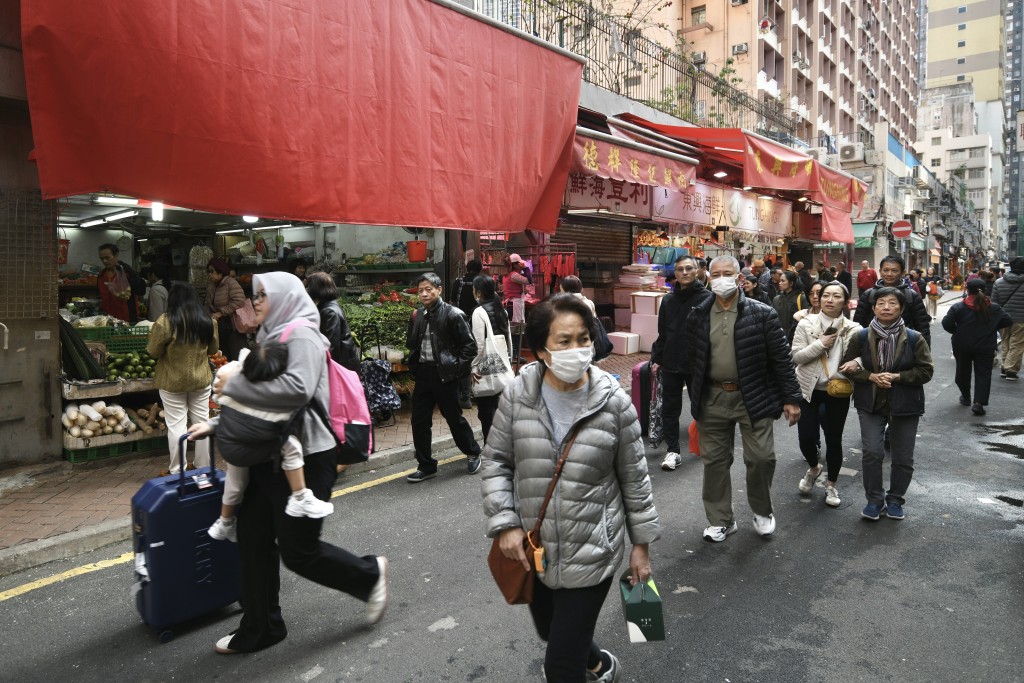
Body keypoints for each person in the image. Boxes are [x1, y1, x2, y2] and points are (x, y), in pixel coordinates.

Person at [187, 272, 389, 654]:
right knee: (253, 539)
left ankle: (369, 574)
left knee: (299, 551)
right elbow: (258, 403)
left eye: (263, 294)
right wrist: (217, 423)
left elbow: (295, 390)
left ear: (285, 296)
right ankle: (261, 627)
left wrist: (234, 385)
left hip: (308, 457)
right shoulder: (269, 335)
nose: (257, 300)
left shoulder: (303, 335)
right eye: (254, 294)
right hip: (269, 452)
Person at [480, 294, 660, 683]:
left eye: (583, 339)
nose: (577, 350)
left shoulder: (614, 403)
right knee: (551, 632)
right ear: (542, 350)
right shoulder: (517, 395)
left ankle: (580, 663)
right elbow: (496, 461)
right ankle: (597, 662)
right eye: (564, 341)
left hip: (593, 549)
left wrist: (640, 547)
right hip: (536, 548)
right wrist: (506, 523)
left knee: (560, 666)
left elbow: (636, 478)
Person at [685, 256, 802, 542]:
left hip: (754, 395)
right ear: (707, 277)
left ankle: (762, 511)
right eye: (716, 274)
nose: (721, 278)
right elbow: (692, 359)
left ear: (740, 278)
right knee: (714, 461)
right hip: (712, 397)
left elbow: (781, 359)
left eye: (728, 273)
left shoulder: (762, 314)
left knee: (761, 458)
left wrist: (791, 398)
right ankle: (721, 519)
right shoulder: (698, 313)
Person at [206, 343, 335, 544]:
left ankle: (224, 522)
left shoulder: (230, 377)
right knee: (291, 446)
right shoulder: (269, 401)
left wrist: (211, 425)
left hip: (228, 445)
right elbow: (289, 416)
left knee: (235, 485)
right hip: (251, 447)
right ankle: (299, 497)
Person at [840, 287, 934, 521]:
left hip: (905, 404)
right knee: (872, 452)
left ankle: (895, 500)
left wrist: (897, 377)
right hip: (870, 402)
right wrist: (871, 377)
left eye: (892, 303)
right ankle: (874, 500)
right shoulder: (860, 336)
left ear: (901, 308)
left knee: (903, 457)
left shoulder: (914, 338)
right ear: (873, 308)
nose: (886, 307)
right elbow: (847, 366)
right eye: (881, 303)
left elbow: (926, 371)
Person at [405, 272, 483, 482]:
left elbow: (470, 346)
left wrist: (456, 368)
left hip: (445, 375)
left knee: (454, 418)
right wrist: (414, 365)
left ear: (439, 290)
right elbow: (412, 343)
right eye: (421, 290)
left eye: (429, 289)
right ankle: (426, 465)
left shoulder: (453, 314)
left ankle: (473, 451)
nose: (424, 293)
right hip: (423, 374)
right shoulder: (417, 315)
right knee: (419, 421)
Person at [790, 282, 861, 507]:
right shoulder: (806, 324)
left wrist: (856, 363)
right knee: (807, 438)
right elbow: (796, 357)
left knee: (833, 439)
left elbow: (863, 358)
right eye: (825, 295)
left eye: (836, 296)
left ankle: (831, 485)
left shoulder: (854, 329)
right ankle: (813, 468)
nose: (830, 299)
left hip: (836, 391)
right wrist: (820, 344)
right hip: (808, 390)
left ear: (845, 301)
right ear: (819, 299)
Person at [147, 284, 219, 474]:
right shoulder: (208, 321)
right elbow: (213, 350)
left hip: (172, 381)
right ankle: (203, 467)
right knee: (202, 422)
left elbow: (153, 351)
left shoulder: (165, 322)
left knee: (176, 426)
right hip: (200, 380)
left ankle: (177, 470)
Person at [651, 255, 712, 471]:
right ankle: (673, 450)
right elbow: (663, 333)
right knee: (670, 408)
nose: (684, 273)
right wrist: (657, 358)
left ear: (697, 271)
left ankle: (705, 441)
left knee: (701, 406)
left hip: (697, 363)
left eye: (688, 268)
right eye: (680, 269)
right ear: (675, 273)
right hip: (671, 362)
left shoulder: (707, 298)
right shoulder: (668, 300)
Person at [942, 278, 1013, 415]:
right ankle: (979, 403)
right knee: (984, 374)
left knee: (962, 371)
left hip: (962, 345)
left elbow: (947, 323)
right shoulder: (993, 308)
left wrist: (957, 331)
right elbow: (1008, 320)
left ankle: (966, 396)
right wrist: (992, 327)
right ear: (984, 290)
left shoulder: (958, 307)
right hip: (985, 346)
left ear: (967, 289)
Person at [470, 274, 512, 444]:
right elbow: (508, 337)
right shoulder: (500, 308)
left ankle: (491, 445)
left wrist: (473, 366)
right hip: (501, 362)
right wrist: (508, 359)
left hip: (486, 365)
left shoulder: (478, 312)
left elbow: (479, 344)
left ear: (478, 291)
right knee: (499, 408)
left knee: (486, 411)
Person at [853, 255, 931, 347]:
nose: (889, 274)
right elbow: (858, 326)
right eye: (885, 270)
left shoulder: (911, 296)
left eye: (894, 270)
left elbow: (923, 327)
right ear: (880, 271)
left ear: (903, 273)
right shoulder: (869, 295)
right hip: (872, 348)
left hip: (904, 348)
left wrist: (924, 353)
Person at [305, 272, 359, 372]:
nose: (308, 290)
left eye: (309, 287)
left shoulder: (329, 311)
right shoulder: (331, 305)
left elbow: (331, 346)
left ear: (316, 289)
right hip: (345, 363)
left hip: (343, 366)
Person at [206, 257, 248, 361]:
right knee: (223, 358)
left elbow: (239, 301)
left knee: (237, 358)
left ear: (220, 272)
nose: (210, 274)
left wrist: (221, 313)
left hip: (233, 328)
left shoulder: (231, 283)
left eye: (212, 271)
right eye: (209, 272)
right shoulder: (211, 286)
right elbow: (207, 304)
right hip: (219, 328)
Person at [993, 256, 1024, 381]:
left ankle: (1004, 367)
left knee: (1005, 342)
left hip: (1003, 318)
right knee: (1017, 344)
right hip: (1021, 319)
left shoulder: (999, 282)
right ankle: (1010, 369)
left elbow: (994, 303)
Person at [97, 243, 145, 323]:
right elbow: (100, 297)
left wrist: (131, 273)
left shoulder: (127, 272)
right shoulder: (101, 276)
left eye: (107, 258)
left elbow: (141, 291)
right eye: (102, 259)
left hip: (127, 319)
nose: (104, 261)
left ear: (116, 255)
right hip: (107, 321)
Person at [771, 271, 806, 340]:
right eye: (780, 280)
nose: (779, 283)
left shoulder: (801, 298)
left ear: (791, 283)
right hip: (779, 336)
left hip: (796, 336)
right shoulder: (776, 299)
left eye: (783, 281)